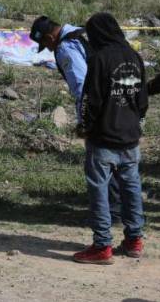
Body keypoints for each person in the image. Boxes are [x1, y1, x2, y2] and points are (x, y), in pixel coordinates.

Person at [30, 15, 122, 222]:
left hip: (98, 108)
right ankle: (123, 208)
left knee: (99, 162)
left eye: (45, 44)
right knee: (118, 159)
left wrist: (85, 119)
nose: (49, 49)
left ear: (48, 38)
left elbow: (82, 86)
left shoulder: (65, 48)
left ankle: (111, 212)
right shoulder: (83, 34)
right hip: (118, 101)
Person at [73, 13, 147, 264]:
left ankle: (102, 245)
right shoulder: (134, 56)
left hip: (103, 137)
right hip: (130, 137)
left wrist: (84, 126)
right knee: (131, 188)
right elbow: (143, 101)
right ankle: (134, 240)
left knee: (99, 191)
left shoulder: (99, 59)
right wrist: (138, 125)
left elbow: (90, 100)